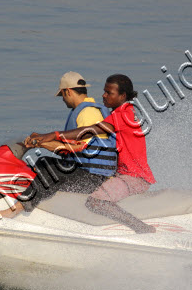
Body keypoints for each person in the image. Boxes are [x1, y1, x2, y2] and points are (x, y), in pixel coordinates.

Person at [26, 74, 156, 233]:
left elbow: (89, 131)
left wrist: (53, 135)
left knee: (95, 202)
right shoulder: (120, 113)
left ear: (122, 96)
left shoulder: (124, 114)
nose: (104, 95)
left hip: (135, 177)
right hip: (123, 175)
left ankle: (141, 228)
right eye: (104, 91)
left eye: (109, 93)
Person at [20, 71, 117, 210]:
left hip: (97, 179)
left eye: (62, 95)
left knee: (49, 167)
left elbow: (76, 148)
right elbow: (69, 149)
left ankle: (23, 206)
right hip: (87, 173)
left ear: (68, 92)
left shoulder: (88, 113)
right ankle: (38, 198)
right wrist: (41, 142)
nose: (63, 99)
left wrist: (42, 143)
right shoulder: (83, 110)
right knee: (43, 162)